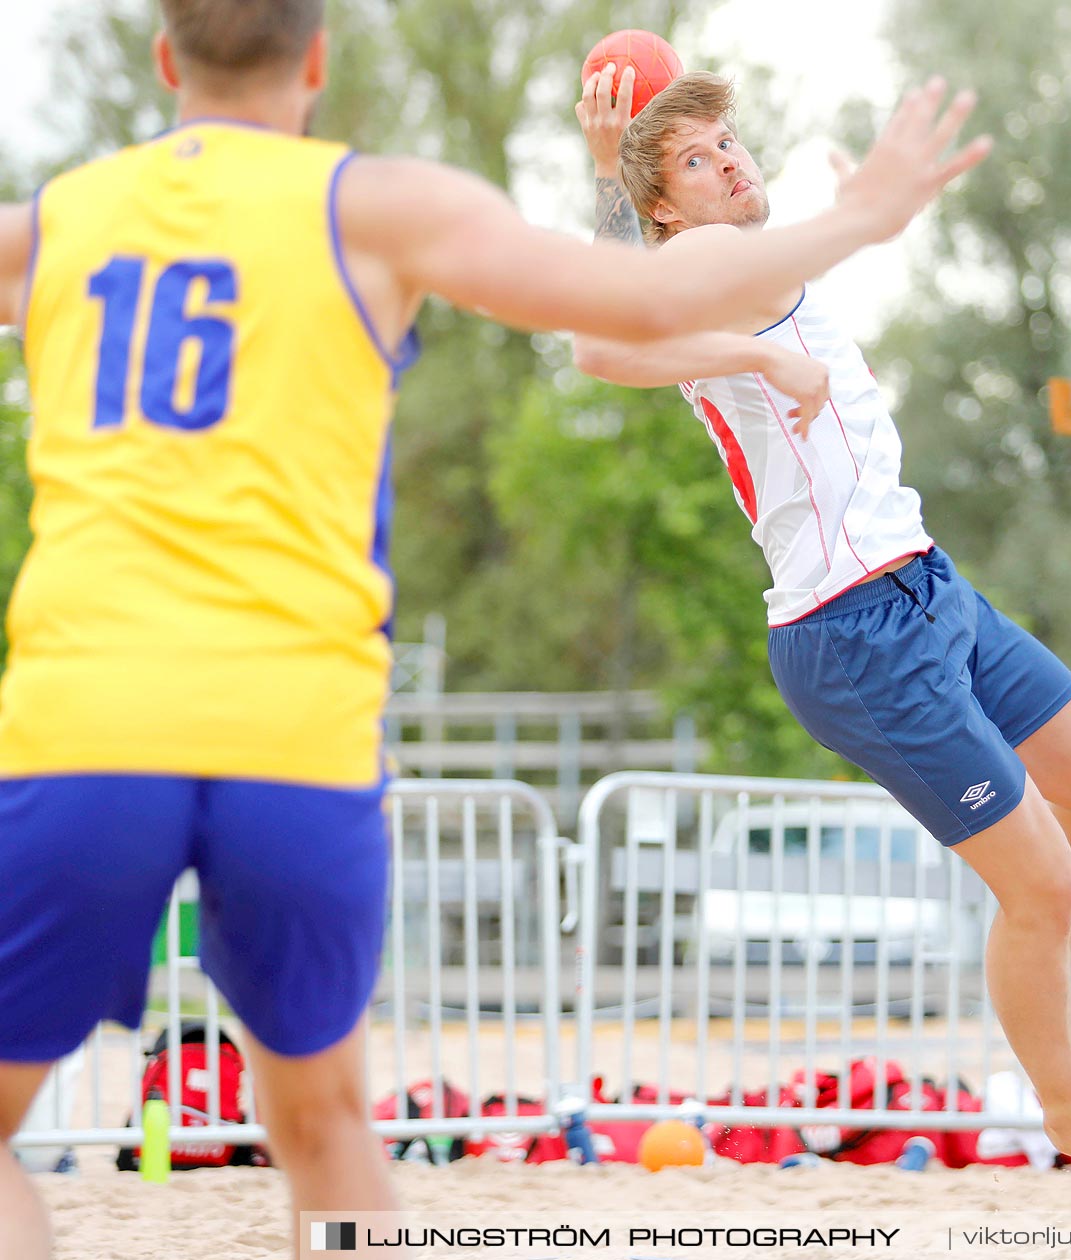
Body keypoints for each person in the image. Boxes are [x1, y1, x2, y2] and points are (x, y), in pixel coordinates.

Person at [0, 3, 989, 1257]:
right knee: (323, 1126)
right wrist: (861, 215)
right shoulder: (377, 210)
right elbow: (623, 302)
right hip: (295, 729)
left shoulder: (59, 226)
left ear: (160, 61)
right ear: (314, 62)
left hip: (92, 715)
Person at [569, 66, 1071, 1175]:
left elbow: (630, 292)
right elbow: (596, 346)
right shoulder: (711, 259)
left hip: (926, 587)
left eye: (727, 139)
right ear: (669, 207)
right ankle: (1068, 1107)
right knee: (1044, 879)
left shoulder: (716, 253)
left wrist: (618, 174)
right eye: (695, 159)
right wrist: (758, 346)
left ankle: (1030, 950)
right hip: (853, 628)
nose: (729, 159)